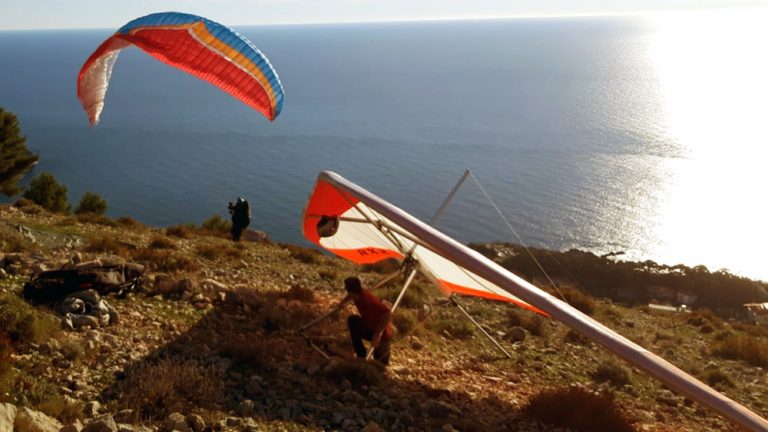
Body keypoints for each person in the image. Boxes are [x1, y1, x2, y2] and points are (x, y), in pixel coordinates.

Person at [343, 276, 392, 365]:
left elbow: (387, 313)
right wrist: (343, 302)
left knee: (381, 362)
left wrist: (377, 334)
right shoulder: (357, 294)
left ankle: (380, 355)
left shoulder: (367, 300)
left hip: (382, 334)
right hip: (369, 327)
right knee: (353, 320)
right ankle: (361, 354)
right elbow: (350, 295)